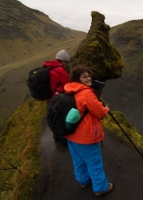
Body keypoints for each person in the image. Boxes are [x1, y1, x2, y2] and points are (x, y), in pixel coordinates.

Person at [64, 64, 114, 197]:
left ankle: (83, 181)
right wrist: (106, 109)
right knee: (94, 162)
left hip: (71, 134)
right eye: (84, 77)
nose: (88, 78)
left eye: (89, 76)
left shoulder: (70, 90)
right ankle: (101, 188)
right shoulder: (86, 93)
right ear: (78, 79)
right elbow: (100, 112)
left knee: (78, 160)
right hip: (84, 137)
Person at [45, 50, 70, 145]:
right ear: (62, 60)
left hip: (49, 98)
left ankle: (56, 136)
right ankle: (63, 139)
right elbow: (68, 84)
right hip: (57, 99)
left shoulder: (48, 67)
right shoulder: (60, 70)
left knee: (53, 118)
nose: (66, 64)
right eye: (66, 62)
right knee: (61, 118)